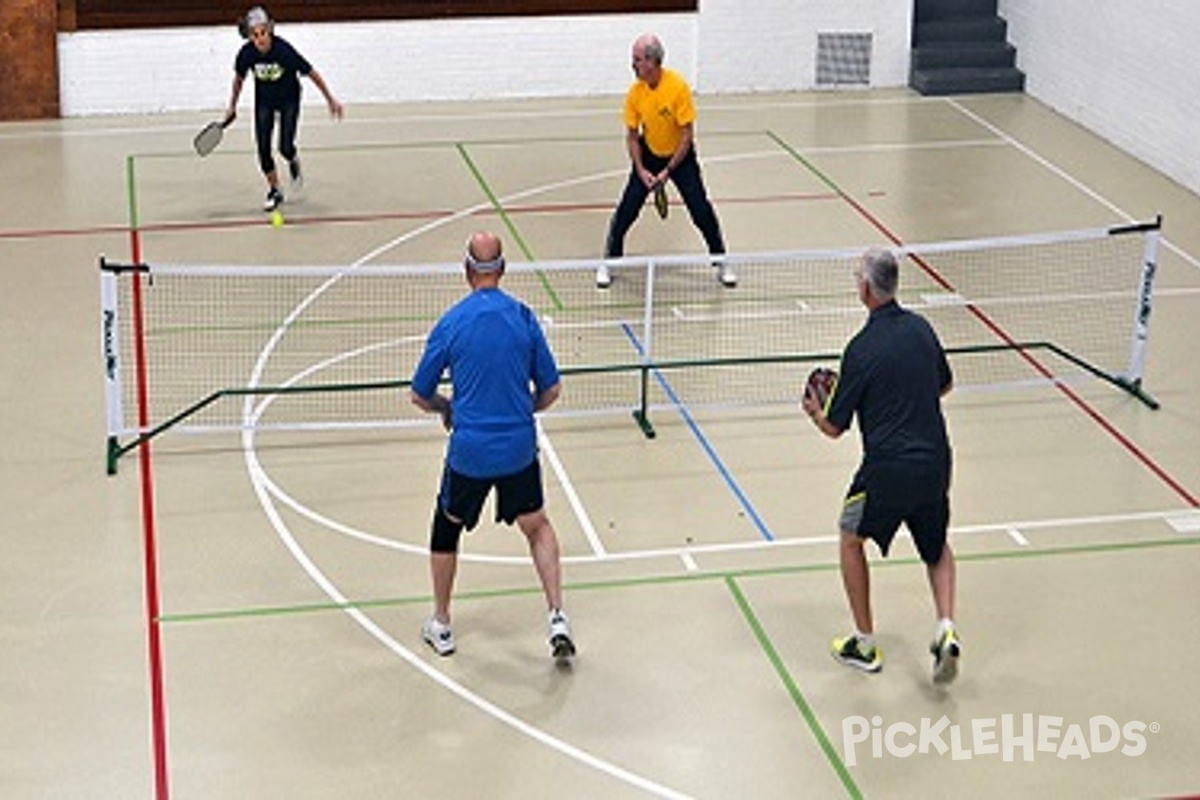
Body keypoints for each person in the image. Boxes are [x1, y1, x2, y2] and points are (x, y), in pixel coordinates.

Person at [410, 231, 575, 661]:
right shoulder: (523, 318)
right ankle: (557, 614)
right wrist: (525, 410)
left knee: (446, 529)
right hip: (519, 446)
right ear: (501, 269)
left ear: (467, 271)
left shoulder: (451, 323)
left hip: (470, 450)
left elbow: (418, 393)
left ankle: (442, 624)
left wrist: (446, 407)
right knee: (536, 524)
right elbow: (552, 390)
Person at [801, 247, 960, 685]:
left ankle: (864, 644)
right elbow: (944, 385)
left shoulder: (860, 349)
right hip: (935, 463)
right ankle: (946, 627)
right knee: (936, 547)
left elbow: (835, 426)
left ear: (867, 288)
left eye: (857, 277)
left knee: (851, 538)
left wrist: (815, 410)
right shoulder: (922, 330)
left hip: (886, 471)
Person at [597, 33, 733, 289]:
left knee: (700, 210)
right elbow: (632, 136)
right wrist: (641, 169)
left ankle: (721, 260)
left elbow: (687, 135)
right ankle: (610, 262)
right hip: (648, 155)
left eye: (637, 59)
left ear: (652, 61)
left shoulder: (677, 88)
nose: (633, 65)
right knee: (626, 210)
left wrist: (669, 170)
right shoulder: (635, 93)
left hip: (680, 158)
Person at [225, 6, 343, 212]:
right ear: (249, 36)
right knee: (263, 150)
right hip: (265, 102)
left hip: (289, 99)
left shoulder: (284, 51)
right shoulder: (246, 55)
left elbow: (311, 72)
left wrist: (330, 99)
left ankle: (293, 159)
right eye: (255, 35)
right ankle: (275, 190)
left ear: (270, 30)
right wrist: (232, 106)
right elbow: (239, 80)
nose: (260, 39)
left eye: (263, 33)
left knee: (284, 146)